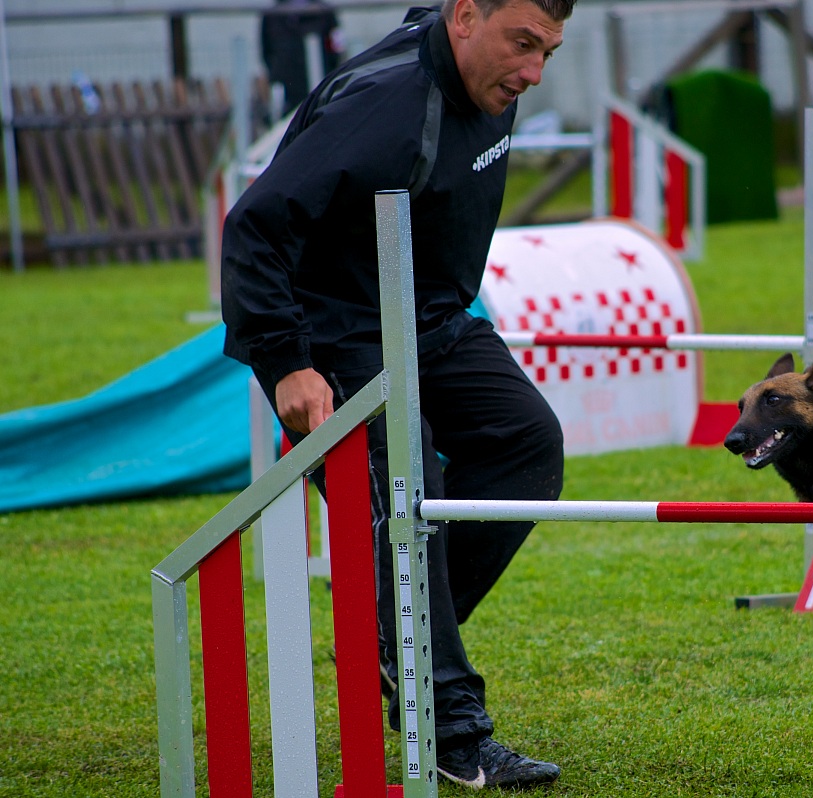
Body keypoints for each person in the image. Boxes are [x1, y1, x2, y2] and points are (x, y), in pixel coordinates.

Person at [222, 0, 574, 788]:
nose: (533, 72)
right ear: (465, 16)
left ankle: (393, 640)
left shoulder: (489, 81)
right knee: (409, 475)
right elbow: (252, 225)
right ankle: (447, 724)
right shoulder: (386, 106)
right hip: (331, 336)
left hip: (430, 317)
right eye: (521, 44)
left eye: (548, 51)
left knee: (527, 445)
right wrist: (286, 363)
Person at [260, 0, 346, 114]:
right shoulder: (272, 15)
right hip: (287, 88)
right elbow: (267, 52)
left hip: (321, 83)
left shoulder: (325, 12)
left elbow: (336, 50)